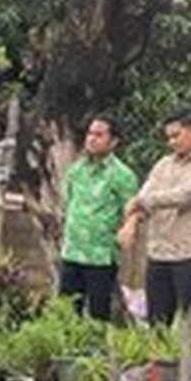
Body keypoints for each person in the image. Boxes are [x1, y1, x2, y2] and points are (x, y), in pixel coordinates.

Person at [126, 111, 191, 326]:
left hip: (190, 253)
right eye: (168, 137)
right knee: (157, 321)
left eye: (176, 135)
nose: (172, 142)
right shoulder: (163, 164)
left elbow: (184, 195)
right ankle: (158, 360)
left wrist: (144, 200)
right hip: (158, 252)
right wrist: (134, 218)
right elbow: (144, 197)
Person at [59, 114, 138, 321]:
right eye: (90, 133)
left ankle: (95, 351)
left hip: (100, 256)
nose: (92, 139)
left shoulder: (123, 176)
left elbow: (132, 211)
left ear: (113, 142)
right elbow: (69, 201)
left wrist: (127, 230)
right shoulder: (76, 170)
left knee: (98, 316)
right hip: (72, 252)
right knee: (65, 313)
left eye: (99, 135)